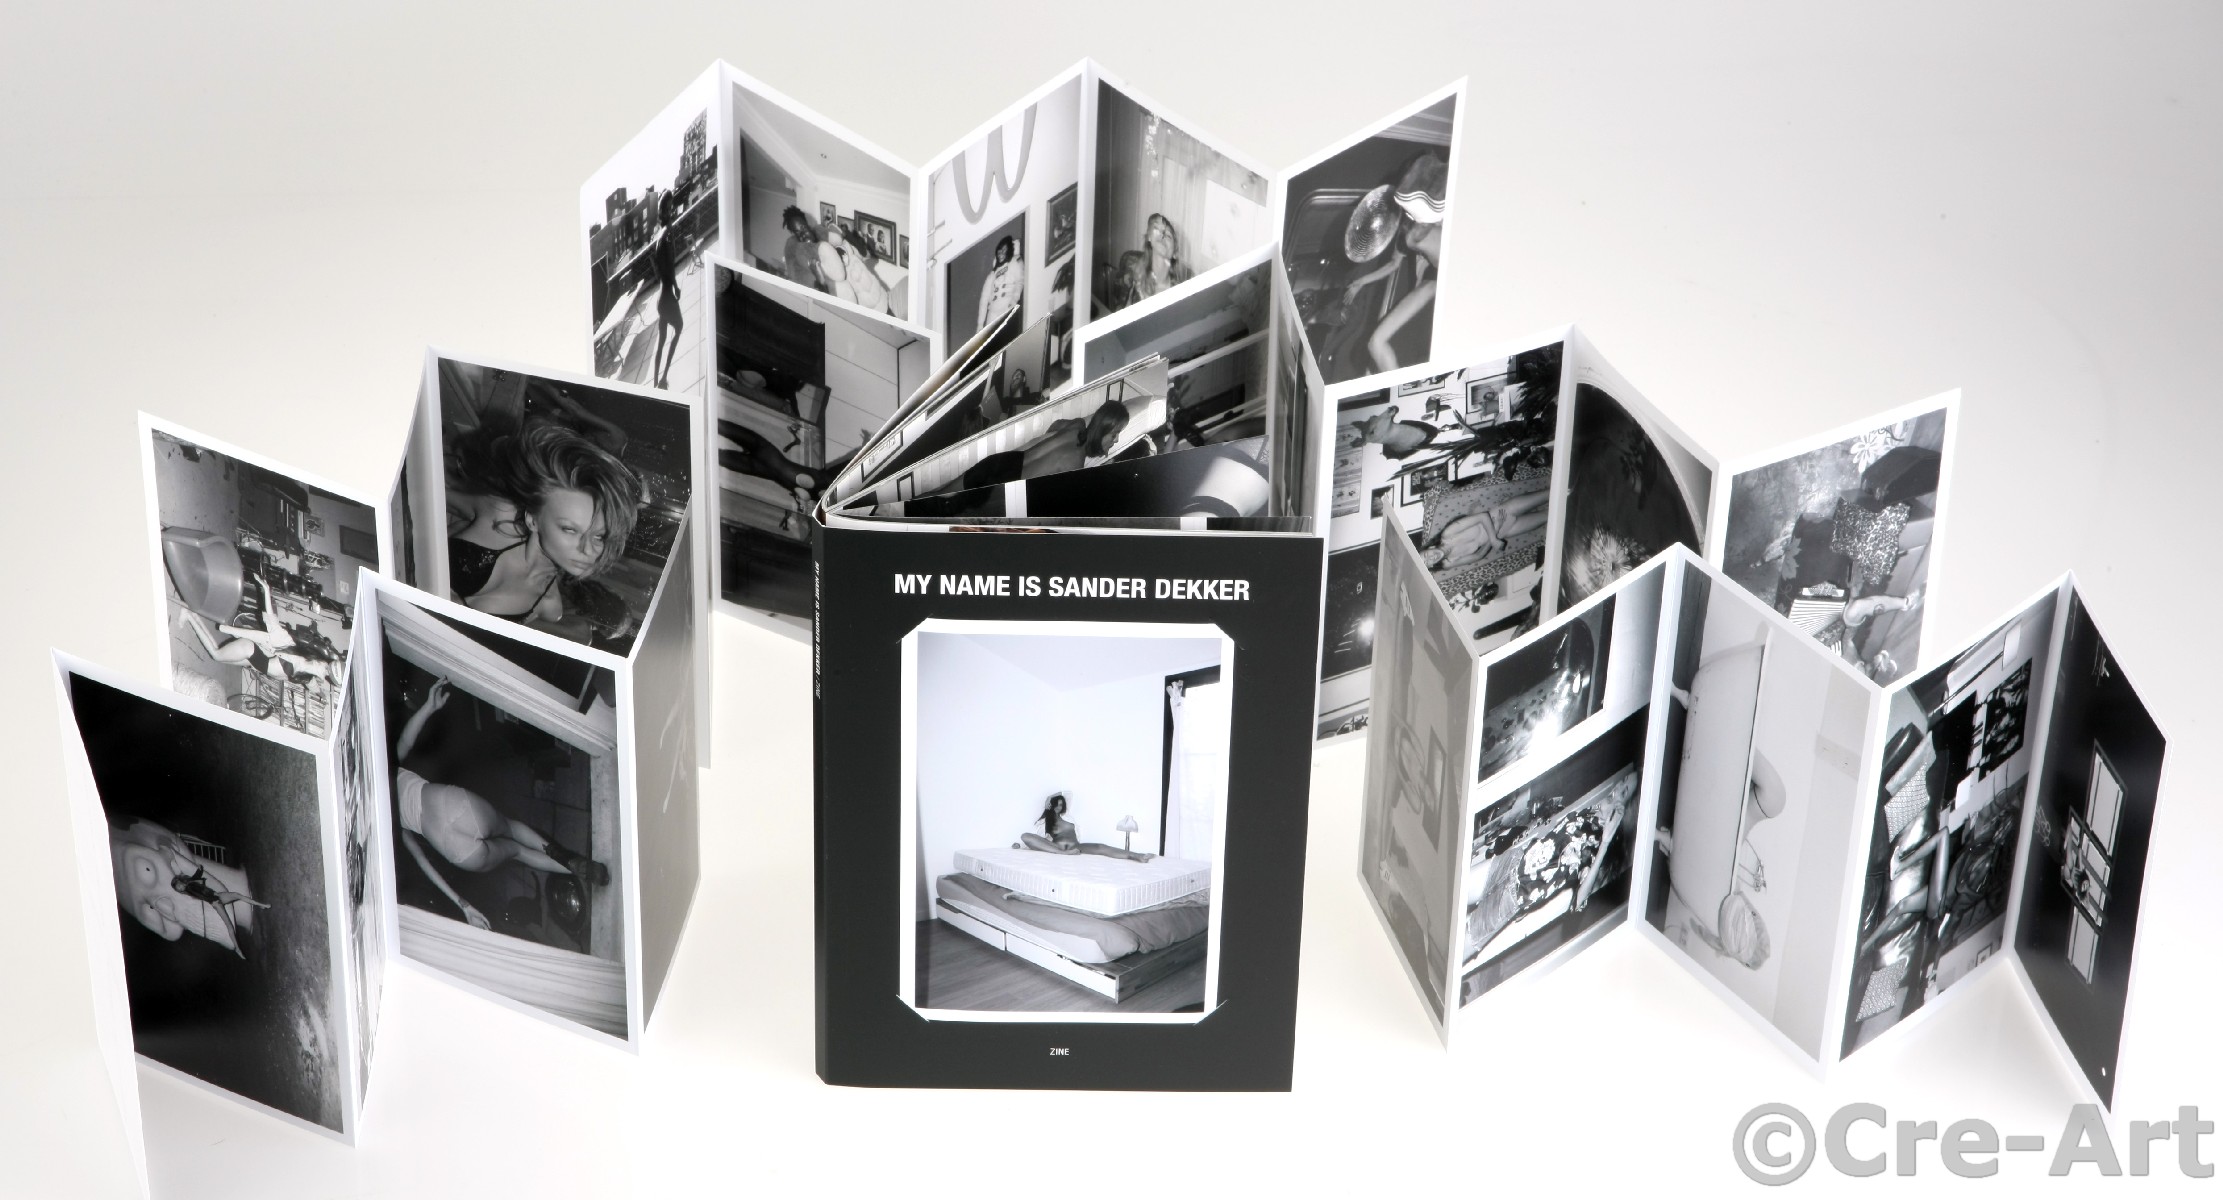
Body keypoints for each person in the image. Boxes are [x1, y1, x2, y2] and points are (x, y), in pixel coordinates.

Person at [392, 679, 608, 931]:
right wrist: (429, 706)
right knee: (512, 827)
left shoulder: (383, 818)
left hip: (455, 850)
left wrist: (464, 905)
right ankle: (565, 857)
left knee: (518, 853)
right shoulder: (382, 771)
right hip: (452, 806)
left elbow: (421, 860)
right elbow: (406, 741)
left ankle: (576, 871)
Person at [446, 423, 644, 646]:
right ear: (533, 519)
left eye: (599, 536)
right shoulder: (502, 513)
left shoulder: (549, 608)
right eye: (570, 529)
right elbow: (424, 495)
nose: (588, 549)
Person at [1338, 152, 1448, 375]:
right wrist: (1360, 282)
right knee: (1375, 344)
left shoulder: (1434, 216)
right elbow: (1392, 265)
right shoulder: (1402, 233)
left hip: (1438, 278)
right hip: (1429, 282)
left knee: (1377, 342)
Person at [109, 816, 266, 956]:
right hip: (212, 901)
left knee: (233, 906)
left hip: (212, 898)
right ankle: (239, 943)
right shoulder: (185, 893)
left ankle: (257, 908)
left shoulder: (132, 854)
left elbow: (193, 873)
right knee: (229, 922)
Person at [954, 398, 1130, 491]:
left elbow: (1054, 427)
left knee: (943, 492)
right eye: (1114, 434)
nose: (1116, 440)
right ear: (1102, 430)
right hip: (1003, 484)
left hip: (1001, 462)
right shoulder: (1075, 466)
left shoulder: (1077, 424)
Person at [1421, 491, 1551, 575]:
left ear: (1430, 547)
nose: (1431, 558)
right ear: (1431, 566)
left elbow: (1482, 516)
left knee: (1548, 494)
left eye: (1426, 555)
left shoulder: (1448, 533)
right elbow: (1478, 556)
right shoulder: (1449, 563)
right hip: (1504, 531)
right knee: (1548, 516)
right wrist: (1496, 532)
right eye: (1427, 563)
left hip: (1500, 514)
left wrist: (1493, 538)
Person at [1014, 793, 1154, 862]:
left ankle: (1137, 856)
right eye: (1056, 804)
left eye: (1061, 805)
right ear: (1051, 805)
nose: (1059, 807)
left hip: (1076, 847)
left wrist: (1053, 799)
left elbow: (1067, 793)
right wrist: (1020, 846)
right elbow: (1035, 840)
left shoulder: (1069, 818)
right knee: (1024, 835)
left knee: (1100, 847)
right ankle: (1063, 854)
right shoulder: (1044, 822)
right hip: (1059, 849)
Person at [647, 192, 686, 389]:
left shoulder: (658, 236)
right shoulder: (666, 235)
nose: (671, 213)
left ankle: (656, 382)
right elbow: (669, 268)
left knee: (662, 342)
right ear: (663, 212)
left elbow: (660, 269)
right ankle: (663, 378)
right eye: (668, 209)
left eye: (671, 208)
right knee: (679, 327)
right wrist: (676, 287)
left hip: (661, 299)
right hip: (668, 297)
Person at [820, 224, 892, 315]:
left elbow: (865, 253)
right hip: (871, 308)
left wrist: (848, 235)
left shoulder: (848, 248)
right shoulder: (835, 266)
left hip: (881, 296)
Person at [975, 235, 1024, 333]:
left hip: (1007, 307)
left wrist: (1014, 300)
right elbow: (984, 299)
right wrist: (980, 324)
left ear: (1009, 251)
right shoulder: (992, 275)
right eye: (999, 251)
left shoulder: (1014, 263)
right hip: (993, 312)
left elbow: (1020, 282)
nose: (1001, 254)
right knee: (991, 339)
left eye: (1004, 250)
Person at [780, 206, 828, 293]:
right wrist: (819, 278)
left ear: (808, 225)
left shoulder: (822, 240)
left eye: (803, 227)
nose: (802, 234)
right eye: (797, 232)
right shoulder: (800, 255)